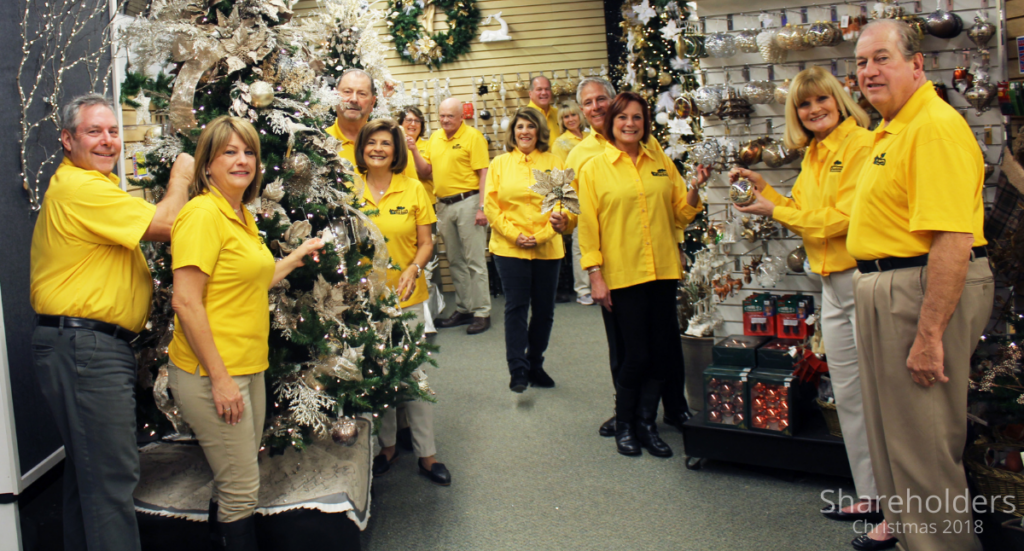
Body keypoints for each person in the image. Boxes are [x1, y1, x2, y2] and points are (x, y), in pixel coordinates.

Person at [728, 66, 894, 549]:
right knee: (848, 392)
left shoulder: (861, 146)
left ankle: (899, 508)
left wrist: (774, 210)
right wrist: (768, 193)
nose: (813, 109)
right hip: (831, 284)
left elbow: (840, 221)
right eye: (804, 104)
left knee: (880, 397)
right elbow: (803, 213)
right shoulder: (817, 152)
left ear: (840, 100)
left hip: (863, 278)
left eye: (821, 100)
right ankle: (870, 494)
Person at [848, 20, 993, 551]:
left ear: (917, 65)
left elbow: (953, 238)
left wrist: (929, 335)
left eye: (881, 58)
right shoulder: (893, 127)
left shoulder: (932, 126)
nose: (868, 71)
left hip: (918, 288)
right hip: (888, 287)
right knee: (897, 441)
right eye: (862, 62)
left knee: (924, 447)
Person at [30, 93, 191, 551]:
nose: (107, 141)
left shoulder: (88, 187)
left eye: (114, 131)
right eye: (93, 131)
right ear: (67, 139)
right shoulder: (81, 188)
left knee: (90, 480)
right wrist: (180, 176)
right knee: (111, 480)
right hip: (86, 351)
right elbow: (167, 221)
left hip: (88, 346)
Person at [167, 116, 323, 547]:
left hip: (248, 366)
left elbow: (250, 279)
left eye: (249, 151)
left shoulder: (238, 214)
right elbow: (185, 301)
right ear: (207, 165)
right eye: (229, 152)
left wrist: (296, 257)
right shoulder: (202, 214)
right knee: (240, 492)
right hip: (214, 373)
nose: (242, 161)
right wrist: (220, 379)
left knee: (233, 479)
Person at [567, 77, 697, 438]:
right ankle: (628, 417)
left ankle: (660, 414)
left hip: (660, 266)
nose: (597, 107)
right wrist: (593, 271)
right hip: (619, 270)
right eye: (589, 102)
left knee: (664, 347)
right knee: (628, 351)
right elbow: (584, 219)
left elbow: (672, 210)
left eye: (601, 100)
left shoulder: (653, 152)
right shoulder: (583, 159)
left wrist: (695, 192)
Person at [356, 119, 450, 486]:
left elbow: (426, 242)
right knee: (377, 372)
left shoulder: (413, 189)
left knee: (414, 376)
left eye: (386, 144)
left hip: (408, 296)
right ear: (362, 148)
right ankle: (388, 446)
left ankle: (427, 454)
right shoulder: (349, 190)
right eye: (372, 143)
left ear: (396, 151)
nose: (378, 149)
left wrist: (414, 268)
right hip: (366, 301)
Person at [485, 107, 574, 392]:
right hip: (509, 249)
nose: (525, 132)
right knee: (516, 308)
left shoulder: (554, 161)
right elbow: (491, 206)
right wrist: (515, 235)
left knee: (545, 310)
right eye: (520, 127)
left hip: (547, 247)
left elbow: (563, 204)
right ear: (512, 132)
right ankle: (518, 370)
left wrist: (543, 235)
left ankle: (535, 363)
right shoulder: (499, 164)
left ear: (539, 131)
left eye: (530, 126)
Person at [412, 97, 492, 335]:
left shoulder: (473, 137)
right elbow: (426, 171)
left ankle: (482, 312)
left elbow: (484, 174)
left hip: (468, 203)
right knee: (455, 260)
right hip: (443, 206)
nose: (445, 120)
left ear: (461, 117)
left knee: (475, 261)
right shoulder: (435, 138)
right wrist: (414, 150)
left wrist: (482, 207)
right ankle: (465, 308)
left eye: (450, 116)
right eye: (442, 116)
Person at [551, 101, 593, 306]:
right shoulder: (560, 144)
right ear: (562, 121)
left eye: (573, 115)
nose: (571, 119)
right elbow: (561, 175)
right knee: (580, 244)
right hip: (578, 198)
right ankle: (583, 289)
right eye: (566, 117)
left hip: (599, 195)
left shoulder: (592, 137)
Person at [327, 68, 376, 166]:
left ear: (372, 103)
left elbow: (409, 181)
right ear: (335, 97)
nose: (354, 99)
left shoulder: (386, 145)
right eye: (347, 92)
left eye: (362, 94)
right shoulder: (321, 143)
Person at [399, 106, 436, 205]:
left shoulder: (429, 145)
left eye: (417, 121)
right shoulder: (394, 147)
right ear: (401, 124)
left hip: (427, 201)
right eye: (409, 120)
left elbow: (429, 175)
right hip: (401, 202)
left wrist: (414, 150)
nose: (413, 124)